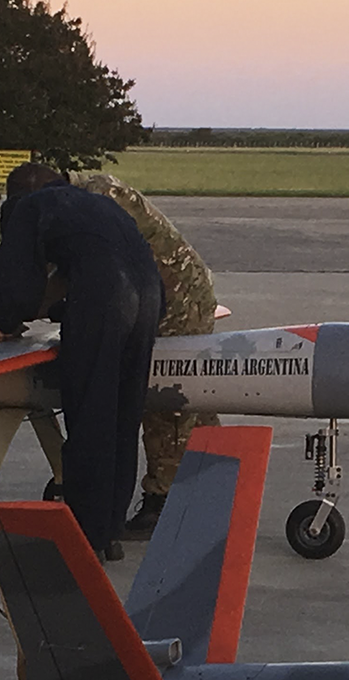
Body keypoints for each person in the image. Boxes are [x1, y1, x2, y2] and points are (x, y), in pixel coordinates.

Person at [0, 163, 162, 562]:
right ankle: (109, 532)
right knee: (121, 417)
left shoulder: (27, 209)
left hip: (108, 296)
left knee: (90, 416)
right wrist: (64, 308)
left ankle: (82, 540)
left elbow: (19, 286)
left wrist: (0, 322)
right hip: (148, 297)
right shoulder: (94, 204)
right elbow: (94, 264)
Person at [73, 174, 222, 541]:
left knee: (166, 401)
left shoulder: (93, 204)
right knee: (193, 399)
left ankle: (164, 500)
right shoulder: (96, 189)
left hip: (175, 301)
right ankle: (215, 484)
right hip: (179, 290)